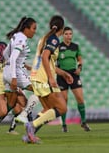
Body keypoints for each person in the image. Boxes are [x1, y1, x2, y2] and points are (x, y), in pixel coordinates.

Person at [23, 15, 73, 143]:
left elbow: (48, 62)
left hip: (36, 77)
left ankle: (29, 135)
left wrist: (63, 73)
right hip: (44, 79)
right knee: (62, 108)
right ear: (61, 28)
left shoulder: (44, 39)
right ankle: (31, 126)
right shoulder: (54, 40)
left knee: (47, 109)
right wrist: (51, 78)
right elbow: (45, 57)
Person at [3, 17, 40, 134]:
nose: (35, 31)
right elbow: (13, 58)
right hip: (15, 74)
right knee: (39, 90)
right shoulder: (21, 39)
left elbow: (5, 53)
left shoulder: (16, 36)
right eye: (33, 28)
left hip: (7, 72)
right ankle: (24, 118)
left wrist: (9, 66)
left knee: (10, 105)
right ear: (26, 28)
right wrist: (14, 77)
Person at [57, 26, 91, 132]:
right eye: (66, 34)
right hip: (62, 75)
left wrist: (80, 68)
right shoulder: (58, 47)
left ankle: (84, 122)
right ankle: (63, 124)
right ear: (63, 35)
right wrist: (60, 72)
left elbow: (80, 59)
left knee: (80, 98)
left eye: (70, 34)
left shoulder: (75, 46)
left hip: (74, 74)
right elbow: (52, 62)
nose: (68, 36)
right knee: (64, 100)